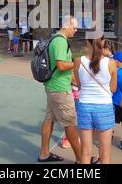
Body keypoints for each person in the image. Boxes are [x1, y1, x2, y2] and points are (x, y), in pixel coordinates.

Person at [38, 16, 81, 163]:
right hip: (60, 89)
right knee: (70, 123)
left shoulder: (55, 39)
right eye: (74, 27)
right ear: (67, 25)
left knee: (49, 119)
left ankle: (44, 154)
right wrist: (77, 62)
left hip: (53, 86)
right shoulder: (60, 41)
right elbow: (62, 65)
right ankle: (82, 159)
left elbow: (60, 68)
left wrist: (73, 79)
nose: (76, 31)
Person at [74, 36, 117, 164]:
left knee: (85, 152)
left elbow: (79, 85)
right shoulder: (111, 63)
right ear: (103, 42)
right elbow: (113, 89)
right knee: (104, 154)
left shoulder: (78, 61)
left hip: (85, 106)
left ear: (87, 41)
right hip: (104, 107)